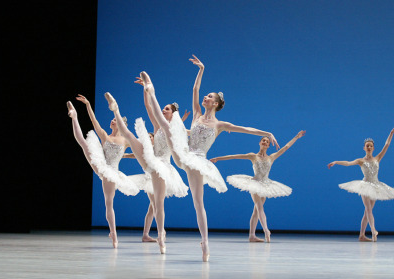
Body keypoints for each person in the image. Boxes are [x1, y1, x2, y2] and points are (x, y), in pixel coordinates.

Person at [140, 55, 280, 262]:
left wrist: (265, 132)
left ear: (215, 103)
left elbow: (245, 129)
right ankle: (151, 91)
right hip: (183, 154)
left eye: (208, 97)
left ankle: (205, 243)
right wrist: (201, 69)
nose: (204, 98)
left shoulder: (220, 124)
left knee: (198, 203)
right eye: (205, 96)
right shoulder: (196, 114)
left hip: (198, 160)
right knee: (166, 128)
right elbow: (195, 90)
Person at [104, 92, 188, 254]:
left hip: (163, 167)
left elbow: (183, 132)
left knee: (158, 204)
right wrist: (145, 90)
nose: (163, 110)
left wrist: (182, 124)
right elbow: (149, 107)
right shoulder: (157, 127)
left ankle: (161, 234)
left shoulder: (175, 130)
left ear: (173, 114)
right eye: (163, 108)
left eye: (167, 109)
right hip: (151, 161)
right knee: (128, 134)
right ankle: (115, 109)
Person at [66, 95, 139, 248]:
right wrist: (87, 105)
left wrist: (126, 156)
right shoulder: (105, 136)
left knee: (108, 203)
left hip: (112, 172)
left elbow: (137, 152)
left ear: (120, 124)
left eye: (115, 120)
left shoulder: (125, 140)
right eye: (112, 120)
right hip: (102, 164)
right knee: (84, 144)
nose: (112, 120)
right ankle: (74, 117)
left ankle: (113, 233)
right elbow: (94, 121)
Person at [210, 131, 306, 243]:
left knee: (256, 211)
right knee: (259, 207)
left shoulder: (272, 157)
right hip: (255, 183)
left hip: (265, 185)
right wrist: (218, 158)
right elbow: (234, 156)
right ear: (260, 143)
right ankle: (266, 230)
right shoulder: (253, 156)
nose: (265, 142)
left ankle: (252, 235)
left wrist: (296, 137)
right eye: (263, 140)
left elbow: (285, 147)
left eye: (267, 141)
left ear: (269, 145)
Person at [328, 125, 394, 242]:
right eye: (367, 146)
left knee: (368, 212)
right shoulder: (360, 160)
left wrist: (392, 132)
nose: (369, 147)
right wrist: (336, 162)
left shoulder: (377, 158)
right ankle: (373, 230)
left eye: (371, 146)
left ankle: (361, 235)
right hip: (365, 185)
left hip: (376, 186)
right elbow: (348, 163)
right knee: (368, 209)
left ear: (373, 148)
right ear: (364, 148)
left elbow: (387, 145)